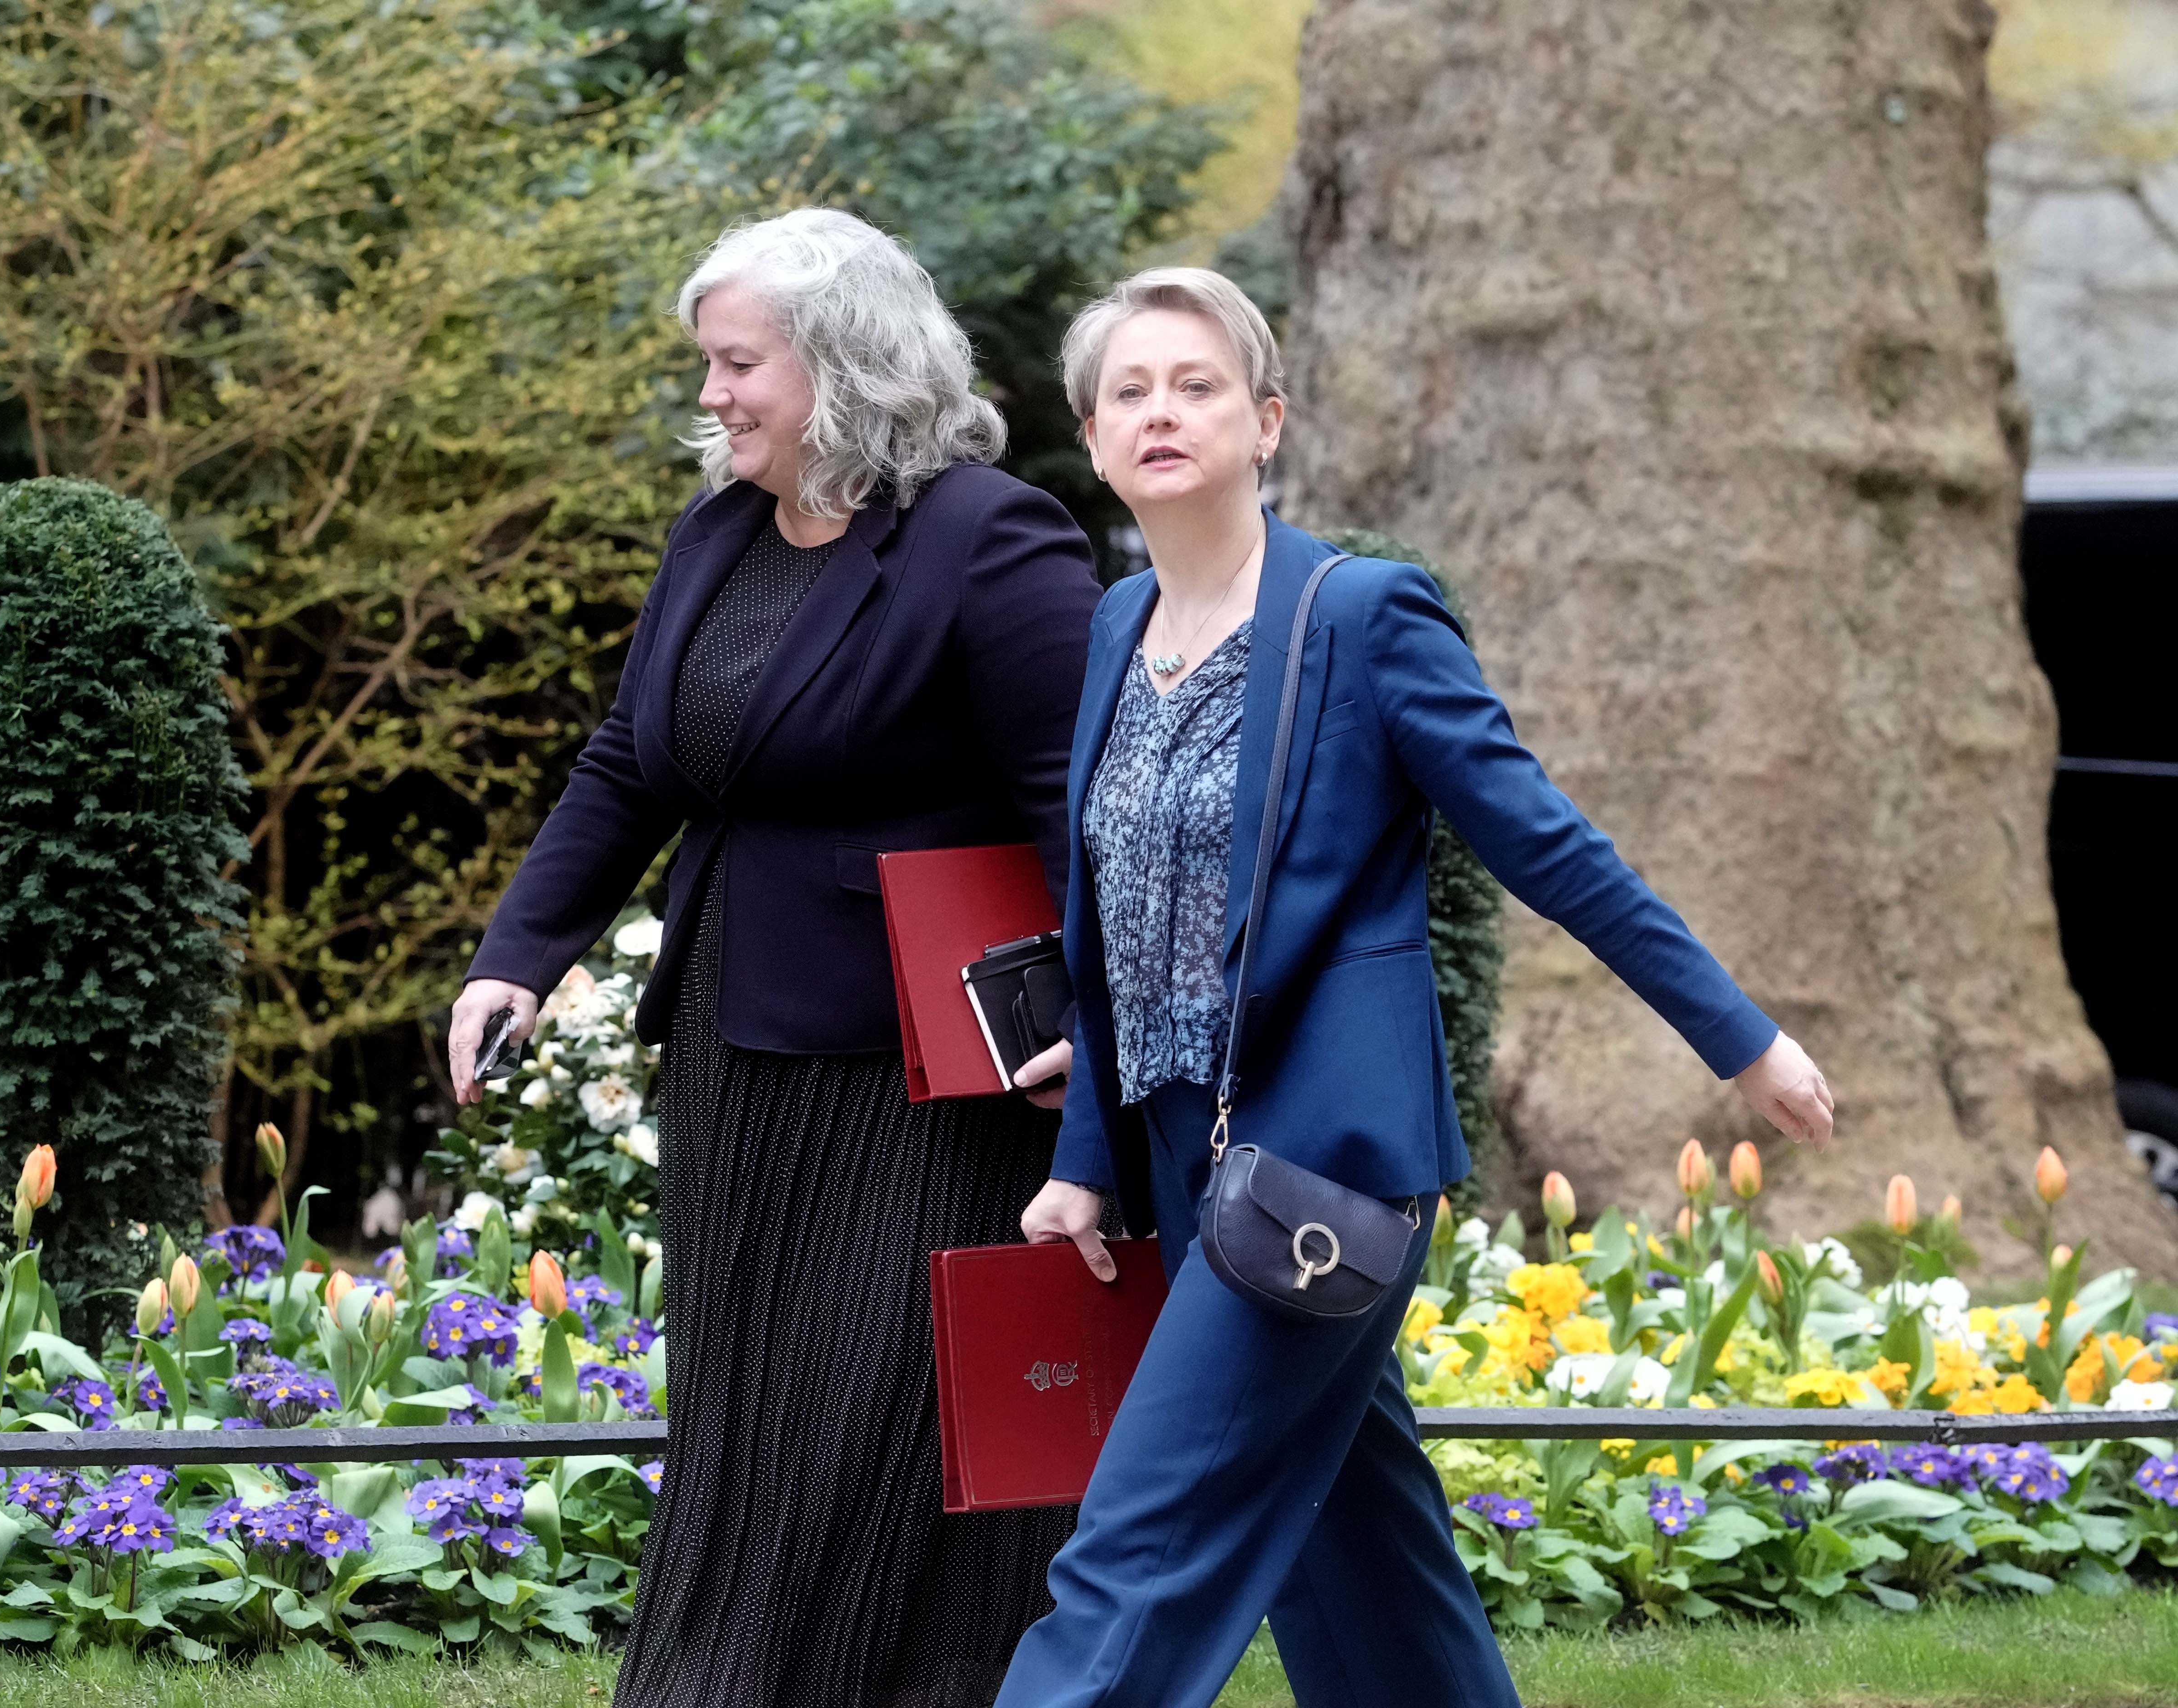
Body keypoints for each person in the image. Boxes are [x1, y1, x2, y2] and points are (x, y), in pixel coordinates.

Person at [999, 267, 1837, 1708]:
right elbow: (1106, 925)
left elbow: (1544, 841)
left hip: (1323, 1157)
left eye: (1196, 385)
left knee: (1137, 1544)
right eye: (1128, 391)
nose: (1160, 411)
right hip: (1181, 1144)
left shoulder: (1362, 616)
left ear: (1267, 422)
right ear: (1090, 438)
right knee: (1362, 1552)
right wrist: (1087, 1159)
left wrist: (1737, 1036)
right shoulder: (1113, 628)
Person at [448, 208, 1102, 1708]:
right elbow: (632, 759)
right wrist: (522, 955)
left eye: (738, 363)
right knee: (748, 1408)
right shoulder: (724, 532)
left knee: (872, 1416)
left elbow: (1076, 801)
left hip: (923, 1075)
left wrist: (1096, 1020)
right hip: (738, 1054)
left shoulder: (986, 535)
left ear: (841, 362)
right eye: (710, 364)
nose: (713, 394)